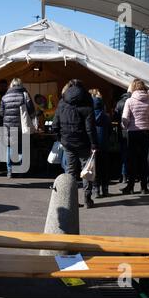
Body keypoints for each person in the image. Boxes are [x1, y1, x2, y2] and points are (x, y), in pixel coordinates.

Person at [52, 79, 98, 208]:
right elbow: (90, 128)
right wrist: (94, 144)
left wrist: (60, 138)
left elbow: (55, 125)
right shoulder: (87, 104)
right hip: (84, 143)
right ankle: (87, 199)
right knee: (87, 171)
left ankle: (71, 200)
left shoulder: (62, 103)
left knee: (70, 171)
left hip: (68, 142)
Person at [121, 79, 149, 195]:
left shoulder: (129, 101)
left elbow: (125, 119)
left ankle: (131, 187)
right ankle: (144, 187)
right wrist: (148, 124)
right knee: (144, 160)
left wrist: (125, 126)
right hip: (145, 133)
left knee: (132, 160)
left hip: (133, 133)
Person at [0, 78, 35, 178]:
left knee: (10, 147)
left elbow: (1, 113)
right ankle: (21, 170)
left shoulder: (4, 97)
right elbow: (31, 110)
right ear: (21, 85)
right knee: (22, 148)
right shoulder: (24, 95)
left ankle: (10, 171)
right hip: (21, 127)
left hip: (8, 127)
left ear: (11, 85)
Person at [91, 91, 112, 198]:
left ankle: (96, 190)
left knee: (95, 168)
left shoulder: (89, 117)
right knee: (105, 168)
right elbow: (110, 131)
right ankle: (105, 189)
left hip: (94, 146)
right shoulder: (106, 117)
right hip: (104, 146)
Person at [113, 89, 132, 184]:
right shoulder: (132, 102)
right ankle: (130, 175)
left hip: (122, 131)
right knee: (132, 154)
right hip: (131, 130)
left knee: (123, 154)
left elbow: (115, 117)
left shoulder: (119, 103)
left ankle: (123, 175)